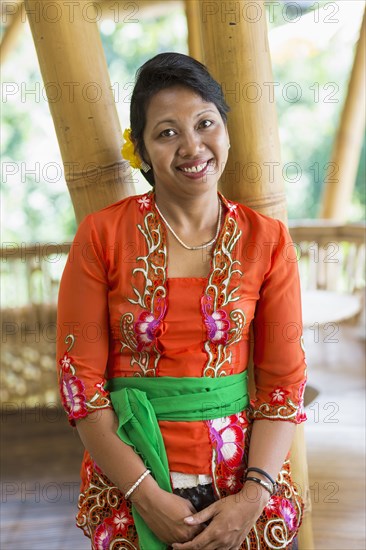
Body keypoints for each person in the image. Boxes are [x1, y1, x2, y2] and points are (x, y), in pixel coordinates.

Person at [56, 52, 307, 550]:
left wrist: (252, 498)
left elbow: (284, 384)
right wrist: (145, 495)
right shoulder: (102, 235)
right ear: (143, 152)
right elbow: (79, 385)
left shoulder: (269, 240)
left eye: (204, 123)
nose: (192, 146)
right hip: (131, 479)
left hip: (242, 486)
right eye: (167, 132)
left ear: (226, 130)